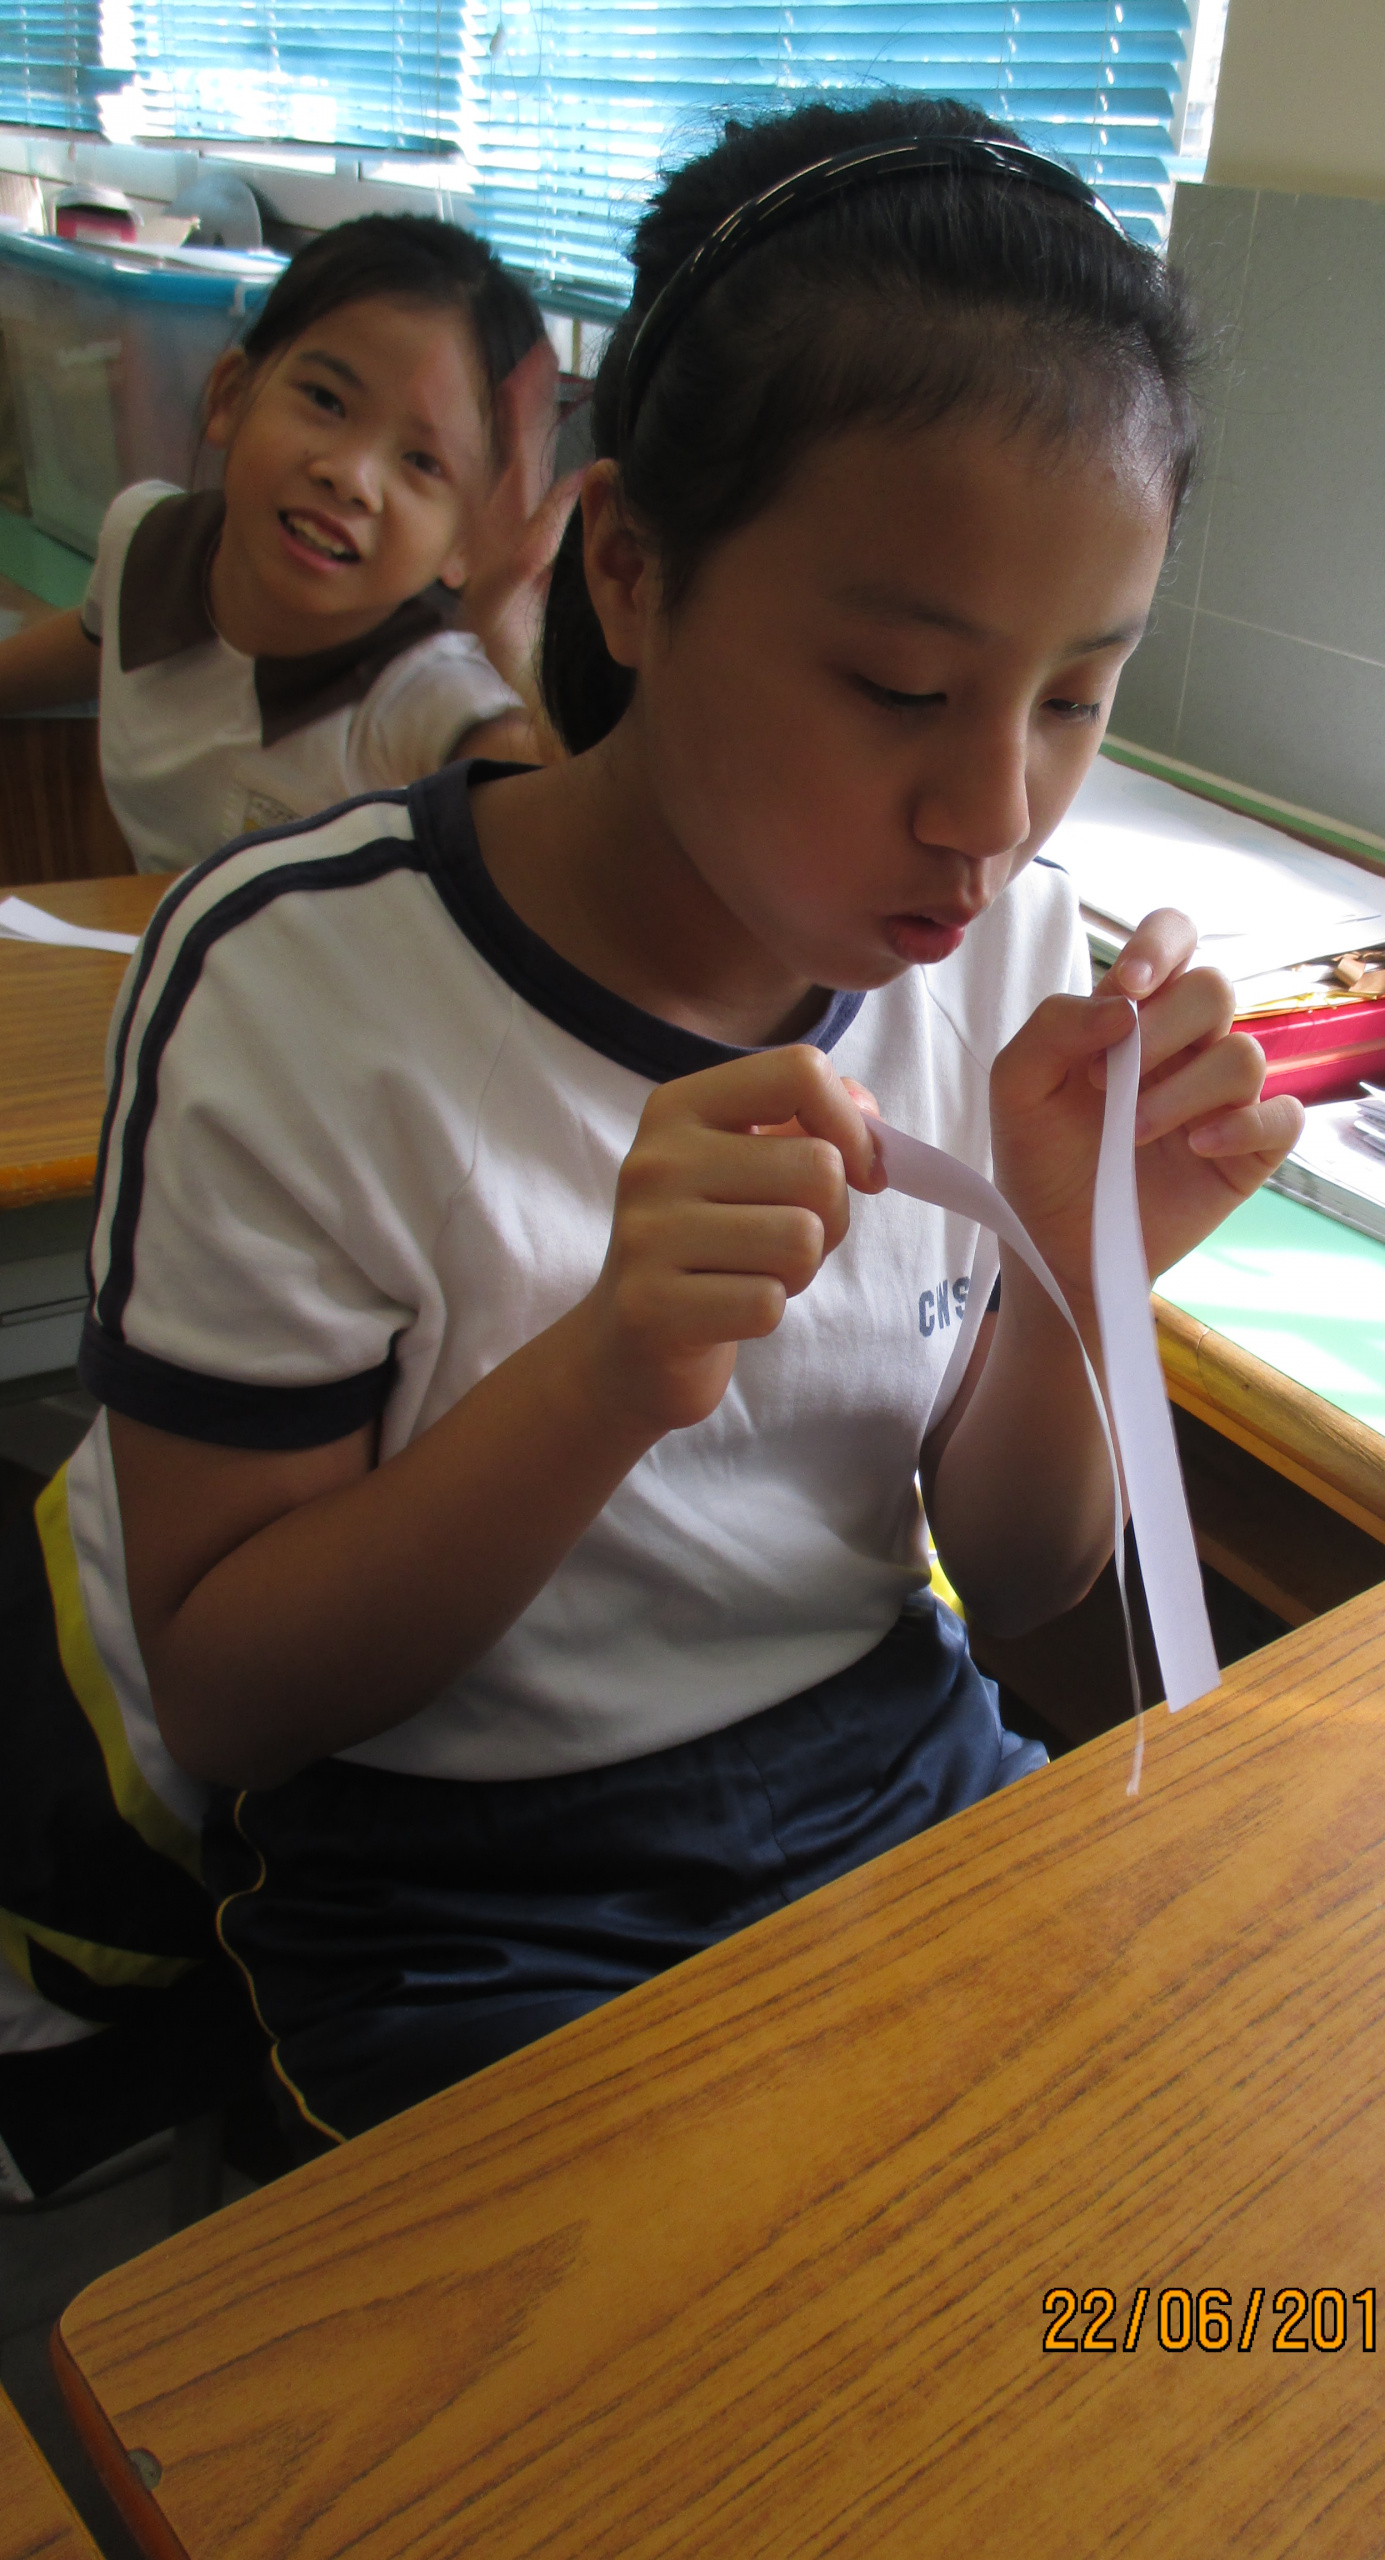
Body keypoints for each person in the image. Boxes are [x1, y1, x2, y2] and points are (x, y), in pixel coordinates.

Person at [13, 95, 1306, 2150]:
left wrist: (1087, 1261)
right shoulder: (294, 983)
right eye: (901, 689)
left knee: (1203, 2168)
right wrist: (610, 1369)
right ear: (627, 567)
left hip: (887, 1766)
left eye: (1077, 696)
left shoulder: (1007, 956)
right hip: (449, 1877)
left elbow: (1015, 1570)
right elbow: (236, 1696)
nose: (992, 814)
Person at [0, 213, 574, 871]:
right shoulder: (143, 543)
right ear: (230, 395)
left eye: (422, 461)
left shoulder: (430, 697)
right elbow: (102, 639)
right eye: (327, 401)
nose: (351, 476)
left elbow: (564, 845)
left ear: (464, 544)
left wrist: (507, 635)